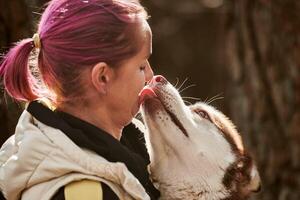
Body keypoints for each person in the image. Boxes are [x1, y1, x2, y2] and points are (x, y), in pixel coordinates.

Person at [0, 0, 160, 199]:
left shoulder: (130, 147)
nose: (150, 76)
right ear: (102, 77)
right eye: (141, 66)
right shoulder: (85, 194)